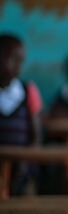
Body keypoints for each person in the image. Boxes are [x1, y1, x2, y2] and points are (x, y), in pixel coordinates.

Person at [0, 34, 43, 195]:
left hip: (22, 170)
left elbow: (36, 136)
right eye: (14, 60)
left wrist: (26, 162)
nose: (19, 66)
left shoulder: (28, 91)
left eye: (21, 61)